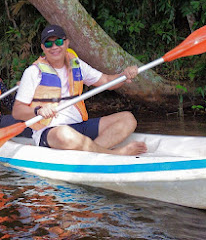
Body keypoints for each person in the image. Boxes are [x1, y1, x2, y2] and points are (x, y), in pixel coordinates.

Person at [12, 24, 148, 155]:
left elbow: (106, 81)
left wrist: (123, 76)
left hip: (79, 126)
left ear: (66, 43)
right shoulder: (33, 72)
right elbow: (17, 111)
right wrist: (38, 110)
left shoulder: (76, 65)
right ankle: (115, 153)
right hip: (51, 132)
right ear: (43, 47)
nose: (54, 47)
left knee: (128, 119)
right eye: (48, 44)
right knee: (64, 133)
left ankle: (92, 152)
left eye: (58, 41)